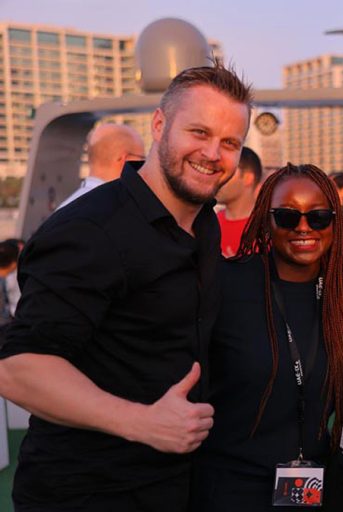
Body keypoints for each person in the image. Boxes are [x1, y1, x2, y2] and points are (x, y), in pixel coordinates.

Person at [0, 62, 252, 511]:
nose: (213, 153)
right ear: (159, 125)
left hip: (176, 487)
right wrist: (143, 423)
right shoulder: (91, 229)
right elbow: (18, 368)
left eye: (229, 142)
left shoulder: (203, 224)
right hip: (89, 493)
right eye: (198, 132)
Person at [192, 164, 343, 510]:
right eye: (286, 216)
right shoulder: (225, 285)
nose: (303, 228)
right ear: (267, 220)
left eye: (319, 217)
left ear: (334, 222)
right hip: (230, 488)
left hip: (312, 491)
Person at [57, 123, 145, 209]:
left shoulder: (67, 207)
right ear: (124, 159)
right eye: (142, 158)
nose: (143, 165)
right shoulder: (118, 209)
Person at [216, 146, 263, 257]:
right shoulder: (209, 225)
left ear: (248, 178)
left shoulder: (268, 229)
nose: (218, 179)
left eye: (228, 173)